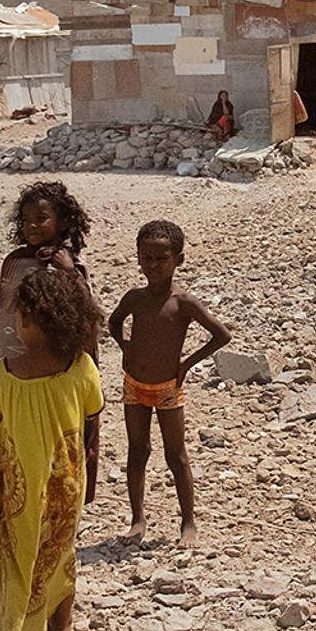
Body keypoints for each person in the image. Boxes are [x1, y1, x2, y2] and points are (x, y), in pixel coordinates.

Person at [0, 265, 104, 631]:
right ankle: (61, 627)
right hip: (63, 483)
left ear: (27, 318)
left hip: (16, 485)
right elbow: (91, 411)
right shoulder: (80, 365)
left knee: (16, 561)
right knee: (58, 553)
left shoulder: (5, 372)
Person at [108, 221, 233, 545]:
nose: (153, 265)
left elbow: (221, 335)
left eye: (161, 258)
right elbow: (114, 321)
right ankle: (137, 519)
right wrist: (126, 347)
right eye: (146, 258)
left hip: (167, 388)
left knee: (175, 454)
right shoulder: (134, 298)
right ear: (138, 258)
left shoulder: (183, 303)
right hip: (134, 384)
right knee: (138, 451)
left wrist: (186, 365)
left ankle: (187, 522)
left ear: (179, 259)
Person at [0, 182, 101, 502]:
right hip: (23, 366)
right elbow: (4, 314)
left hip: (65, 366)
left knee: (68, 433)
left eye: (41, 218)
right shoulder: (14, 262)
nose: (32, 225)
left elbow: (89, 317)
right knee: (20, 433)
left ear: (63, 222)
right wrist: (5, 364)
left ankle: (66, 499)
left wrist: (69, 273)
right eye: (26, 219)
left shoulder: (70, 263)